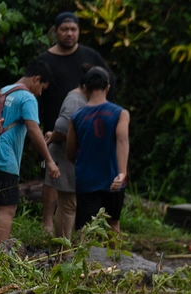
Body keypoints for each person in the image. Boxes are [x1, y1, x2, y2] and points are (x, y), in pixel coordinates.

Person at [0, 58, 60, 247]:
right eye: (42, 88)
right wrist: (50, 160)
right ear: (36, 79)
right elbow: (33, 129)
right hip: (2, 157)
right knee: (8, 208)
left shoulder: (4, 90)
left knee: (1, 207)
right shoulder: (27, 97)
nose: (40, 93)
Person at [37, 12, 110, 235]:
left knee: (71, 192)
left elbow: (108, 83)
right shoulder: (45, 60)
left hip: (84, 132)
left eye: (73, 29)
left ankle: (75, 234)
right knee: (53, 178)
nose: (69, 33)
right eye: (64, 29)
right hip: (55, 128)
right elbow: (36, 93)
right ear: (55, 31)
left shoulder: (90, 56)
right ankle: (47, 222)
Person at [67, 68, 129, 233]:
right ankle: (114, 259)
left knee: (84, 229)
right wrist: (122, 173)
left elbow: (70, 152)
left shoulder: (76, 117)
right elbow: (122, 141)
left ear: (85, 88)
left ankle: (84, 259)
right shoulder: (120, 113)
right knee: (113, 224)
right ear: (107, 87)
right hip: (113, 178)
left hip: (87, 179)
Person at [42, 67, 92, 239]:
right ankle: (65, 252)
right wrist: (54, 137)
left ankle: (74, 249)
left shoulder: (82, 98)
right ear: (86, 86)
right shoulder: (75, 100)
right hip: (66, 157)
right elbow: (63, 127)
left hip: (76, 159)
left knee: (75, 205)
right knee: (68, 204)